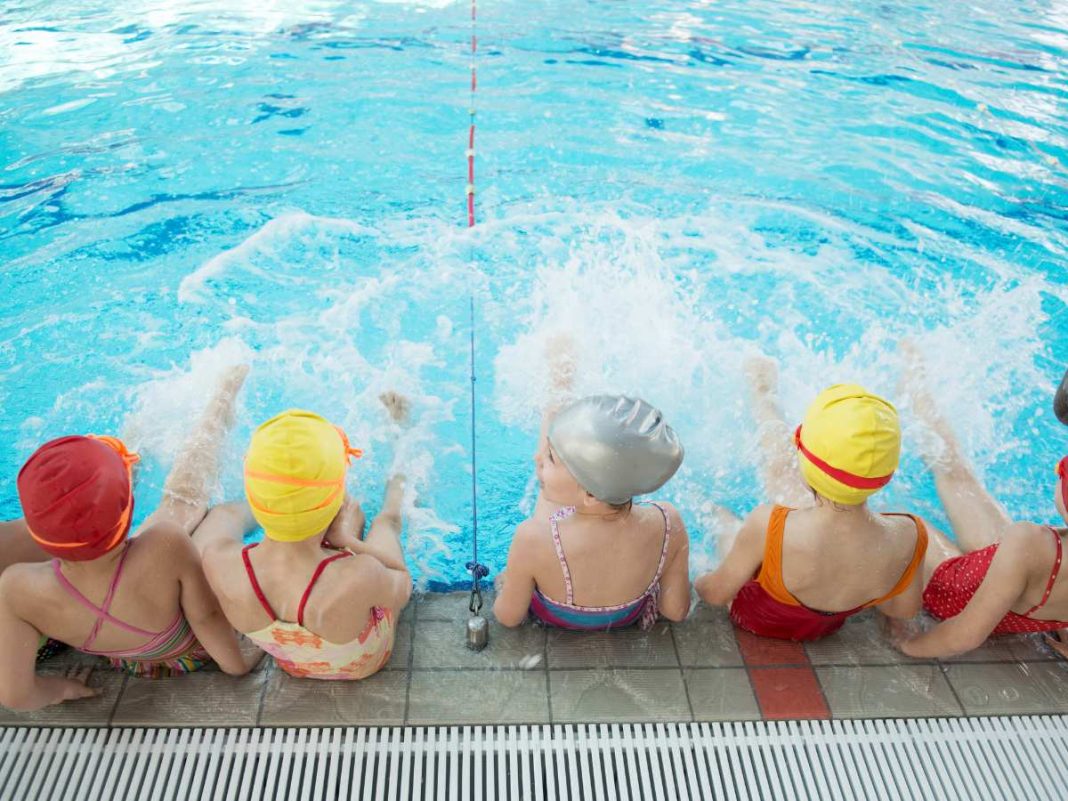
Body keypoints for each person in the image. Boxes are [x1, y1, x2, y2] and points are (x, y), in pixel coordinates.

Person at [0, 366, 256, 710]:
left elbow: (16, 695)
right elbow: (208, 618)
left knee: (111, 497)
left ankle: (126, 448)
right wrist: (236, 665)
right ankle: (220, 399)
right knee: (186, 503)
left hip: (125, 658)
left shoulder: (17, 588)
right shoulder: (164, 544)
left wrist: (63, 690)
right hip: (183, 653)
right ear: (129, 511)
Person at [695, 355, 929, 641]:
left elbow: (716, 594)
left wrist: (695, 581)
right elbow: (903, 610)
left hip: (756, 619)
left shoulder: (768, 524)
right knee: (787, 483)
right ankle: (763, 395)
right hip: (826, 628)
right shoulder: (909, 533)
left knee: (722, 515)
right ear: (887, 473)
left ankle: (762, 392)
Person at [192, 393, 412, 680]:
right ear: (335, 497)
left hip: (294, 663)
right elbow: (403, 584)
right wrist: (348, 540)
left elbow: (221, 518)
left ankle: (291, 507)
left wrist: (282, 496)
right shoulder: (361, 574)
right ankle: (402, 440)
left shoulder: (219, 560)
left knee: (224, 513)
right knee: (386, 523)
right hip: (363, 662)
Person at [493, 338, 691, 629]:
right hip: (627, 616)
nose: (537, 460)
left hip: (558, 615)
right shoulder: (667, 521)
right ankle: (559, 391)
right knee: (555, 488)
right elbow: (675, 610)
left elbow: (508, 618)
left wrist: (505, 583)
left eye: (549, 458)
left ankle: (558, 385)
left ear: (588, 493)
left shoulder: (533, 538)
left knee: (548, 502)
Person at [892, 342, 1068, 659]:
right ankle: (916, 390)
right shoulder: (1037, 548)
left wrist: (910, 646)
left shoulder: (1029, 543)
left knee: (900, 521)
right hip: (1016, 576)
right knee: (959, 475)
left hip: (952, 591)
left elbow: (965, 635)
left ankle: (911, 383)